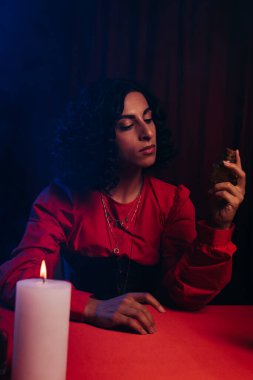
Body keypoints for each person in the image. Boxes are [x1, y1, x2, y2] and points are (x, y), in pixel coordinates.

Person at [0, 79, 246, 335]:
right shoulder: (62, 198)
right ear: (99, 137)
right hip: (79, 336)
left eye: (148, 119)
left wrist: (220, 226)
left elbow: (185, 295)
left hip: (152, 338)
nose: (147, 132)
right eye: (127, 125)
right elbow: (17, 281)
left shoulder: (173, 201)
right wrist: (91, 308)